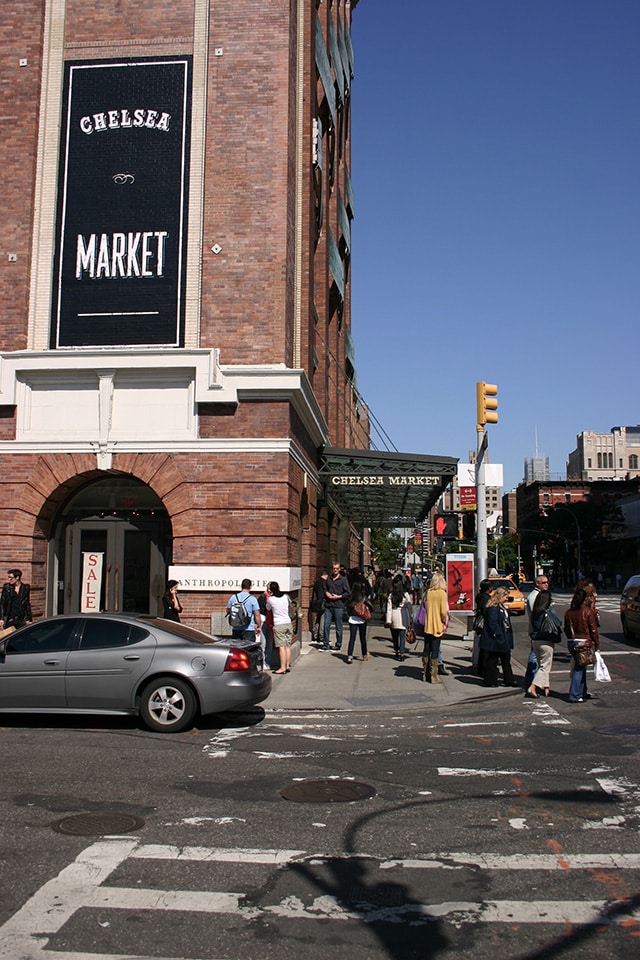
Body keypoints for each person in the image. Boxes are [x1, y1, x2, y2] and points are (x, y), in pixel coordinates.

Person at [564, 587, 599, 703]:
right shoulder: (588, 611)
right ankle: (574, 694)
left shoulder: (569, 612)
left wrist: (571, 638)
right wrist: (597, 645)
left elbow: (566, 629)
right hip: (584, 642)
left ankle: (582, 692)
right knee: (579, 668)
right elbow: (593, 630)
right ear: (585, 599)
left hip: (572, 642)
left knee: (581, 666)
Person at [527, 588, 562, 698]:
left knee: (542, 665)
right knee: (545, 667)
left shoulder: (535, 612)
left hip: (535, 641)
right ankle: (533, 686)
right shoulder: (548, 611)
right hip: (546, 641)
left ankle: (546, 688)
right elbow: (558, 622)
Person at [479, 587, 515, 687]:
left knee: (505, 659)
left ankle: (509, 680)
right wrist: (499, 635)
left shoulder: (502, 607)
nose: (507, 598)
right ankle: (490, 681)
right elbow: (493, 624)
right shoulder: (493, 608)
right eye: (506, 596)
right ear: (500, 596)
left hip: (504, 637)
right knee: (492, 660)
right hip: (495, 640)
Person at [422, 570, 448, 683]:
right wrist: (444, 620)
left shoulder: (429, 592)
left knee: (426, 649)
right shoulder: (442, 593)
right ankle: (433, 676)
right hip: (437, 625)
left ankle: (425, 674)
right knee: (435, 651)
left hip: (428, 625)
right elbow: (443, 612)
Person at [323, 561, 351, 651]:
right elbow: (324, 588)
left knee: (338, 626)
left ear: (339, 569)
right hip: (328, 605)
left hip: (338, 605)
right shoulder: (329, 578)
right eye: (333, 568)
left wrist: (338, 596)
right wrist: (326, 593)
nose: (335, 570)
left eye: (336, 568)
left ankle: (338, 644)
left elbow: (348, 593)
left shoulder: (343, 579)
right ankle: (326, 644)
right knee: (326, 625)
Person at [266, 581, 294, 674]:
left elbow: (268, 608)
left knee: (281, 647)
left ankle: (282, 668)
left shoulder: (271, 599)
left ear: (270, 590)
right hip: (288, 622)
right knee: (287, 646)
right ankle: (287, 665)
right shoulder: (286, 596)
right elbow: (290, 604)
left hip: (279, 624)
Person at [386, 574, 413, 661]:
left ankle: (396, 650)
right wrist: (411, 617)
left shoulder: (391, 595)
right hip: (403, 615)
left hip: (394, 615)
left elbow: (389, 608)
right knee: (402, 635)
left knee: (394, 636)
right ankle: (402, 653)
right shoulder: (405, 595)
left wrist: (388, 620)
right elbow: (409, 607)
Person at [346, 575, 372, 663]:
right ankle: (364, 655)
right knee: (362, 638)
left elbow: (348, 608)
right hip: (362, 619)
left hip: (352, 619)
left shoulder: (351, 598)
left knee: (352, 638)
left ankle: (350, 656)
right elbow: (371, 606)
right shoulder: (363, 597)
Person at [309, 570, 328, 644]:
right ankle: (321, 636)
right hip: (322, 603)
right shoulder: (324, 583)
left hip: (316, 603)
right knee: (323, 620)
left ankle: (315, 635)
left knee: (317, 619)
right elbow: (324, 593)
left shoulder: (317, 582)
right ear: (325, 575)